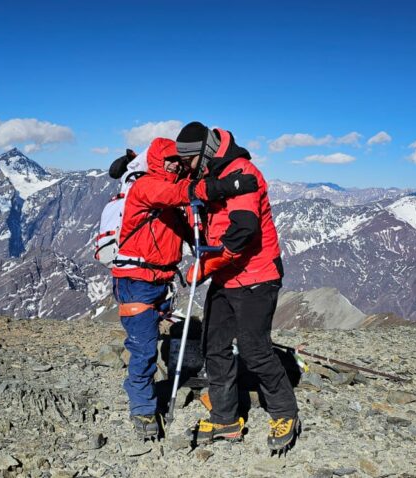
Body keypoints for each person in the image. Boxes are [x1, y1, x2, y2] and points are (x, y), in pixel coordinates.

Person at [109, 137, 258, 440]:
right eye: (171, 160)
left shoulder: (164, 191)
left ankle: (161, 390)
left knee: (151, 339)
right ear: (156, 162)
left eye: (180, 160)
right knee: (143, 348)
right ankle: (143, 410)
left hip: (158, 281)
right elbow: (183, 191)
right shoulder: (149, 187)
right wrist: (230, 186)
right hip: (136, 282)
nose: (178, 165)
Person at [175, 122, 300, 452]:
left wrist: (206, 266)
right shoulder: (209, 174)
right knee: (214, 346)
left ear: (202, 154)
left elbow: (243, 232)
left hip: (256, 276)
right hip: (226, 277)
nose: (186, 168)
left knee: (254, 348)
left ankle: (285, 412)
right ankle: (226, 416)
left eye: (188, 162)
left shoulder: (242, 172)